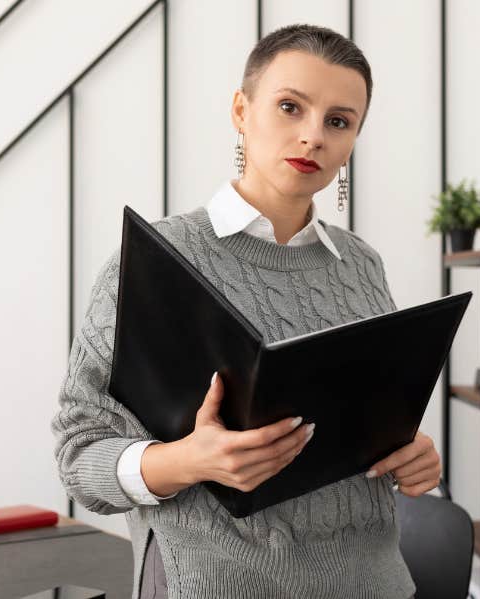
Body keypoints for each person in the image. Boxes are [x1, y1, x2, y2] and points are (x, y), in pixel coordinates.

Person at [51, 23, 440, 599]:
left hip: (374, 583)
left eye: (339, 121)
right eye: (290, 107)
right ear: (241, 110)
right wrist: (189, 461)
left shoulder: (362, 264)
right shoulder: (157, 261)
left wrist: (416, 457)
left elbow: (362, 425)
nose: (313, 137)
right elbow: (79, 456)